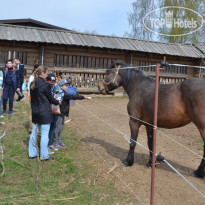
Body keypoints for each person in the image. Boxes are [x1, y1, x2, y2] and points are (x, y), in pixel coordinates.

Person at [28, 66, 61, 161]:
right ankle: (44, 156)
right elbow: (50, 99)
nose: (47, 75)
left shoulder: (32, 83)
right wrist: (57, 102)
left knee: (34, 133)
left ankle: (32, 153)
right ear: (42, 74)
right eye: (46, 73)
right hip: (44, 112)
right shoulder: (45, 85)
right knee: (45, 134)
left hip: (35, 111)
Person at [51, 79, 91, 149]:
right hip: (59, 113)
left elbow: (73, 95)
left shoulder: (63, 92)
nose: (67, 87)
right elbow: (73, 96)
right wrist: (84, 97)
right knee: (58, 128)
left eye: (67, 85)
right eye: (65, 85)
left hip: (63, 113)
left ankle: (59, 141)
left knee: (61, 127)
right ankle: (55, 142)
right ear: (61, 86)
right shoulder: (63, 94)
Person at [46, 73, 64, 153]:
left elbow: (61, 95)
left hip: (54, 109)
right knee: (46, 127)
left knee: (52, 126)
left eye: (53, 83)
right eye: (50, 83)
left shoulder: (57, 87)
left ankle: (49, 143)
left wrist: (58, 100)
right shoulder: (45, 86)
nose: (52, 85)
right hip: (45, 109)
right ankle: (44, 144)